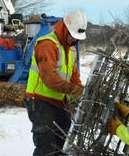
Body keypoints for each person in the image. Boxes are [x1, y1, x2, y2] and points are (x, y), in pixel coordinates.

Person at [25, 10, 87, 156]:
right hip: (41, 102)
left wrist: (81, 93)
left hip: (60, 103)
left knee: (63, 146)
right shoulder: (47, 44)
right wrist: (74, 90)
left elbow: (74, 78)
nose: (74, 40)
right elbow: (49, 78)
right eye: (72, 35)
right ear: (64, 28)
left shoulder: (71, 49)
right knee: (47, 149)